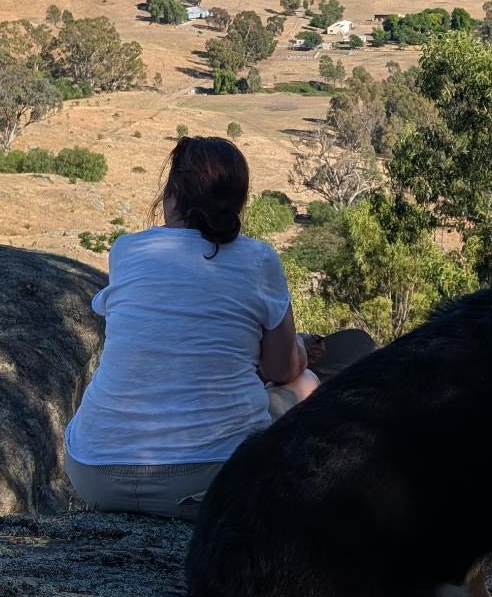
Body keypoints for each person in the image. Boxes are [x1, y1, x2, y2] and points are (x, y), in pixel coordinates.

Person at [62, 135, 371, 519]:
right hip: (207, 481)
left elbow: (173, 342)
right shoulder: (258, 259)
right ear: (237, 201)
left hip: (94, 472)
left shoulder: (127, 250)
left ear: (171, 193)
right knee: (306, 382)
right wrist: (302, 349)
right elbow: (281, 371)